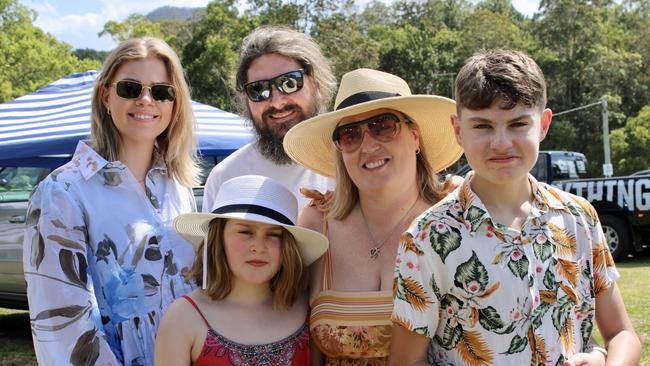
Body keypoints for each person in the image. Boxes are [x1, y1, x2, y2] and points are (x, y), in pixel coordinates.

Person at [390, 49, 641, 366]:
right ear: (458, 130)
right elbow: (406, 361)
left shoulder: (579, 218)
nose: (501, 143)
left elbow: (622, 334)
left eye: (518, 124)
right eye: (482, 126)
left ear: (544, 124)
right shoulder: (425, 240)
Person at [22, 37, 199, 365]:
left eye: (161, 91)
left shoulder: (179, 186)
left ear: (175, 104)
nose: (147, 100)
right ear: (106, 96)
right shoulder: (62, 193)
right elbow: (63, 330)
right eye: (131, 88)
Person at [283, 68, 463, 365]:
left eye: (383, 126)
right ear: (340, 150)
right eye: (350, 135)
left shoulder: (456, 219)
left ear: (415, 136)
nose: (368, 145)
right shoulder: (316, 225)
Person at [154, 175, 329, 365]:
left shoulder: (306, 310)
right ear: (217, 238)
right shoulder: (183, 318)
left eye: (273, 235)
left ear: (287, 247)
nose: (258, 247)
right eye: (245, 232)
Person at [202, 26, 337, 211]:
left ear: (315, 83)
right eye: (258, 89)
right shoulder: (225, 178)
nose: (277, 102)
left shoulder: (350, 165)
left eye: (289, 82)